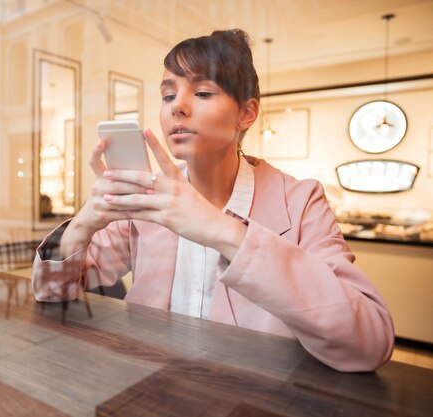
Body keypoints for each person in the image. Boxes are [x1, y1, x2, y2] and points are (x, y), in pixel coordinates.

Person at [31, 29, 394, 372]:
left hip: (255, 397)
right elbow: (51, 291)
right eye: (168, 95)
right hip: (146, 385)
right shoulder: (150, 198)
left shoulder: (300, 201)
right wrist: (84, 225)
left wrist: (223, 230)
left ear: (246, 113)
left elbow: (368, 342)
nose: (178, 108)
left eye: (202, 93)